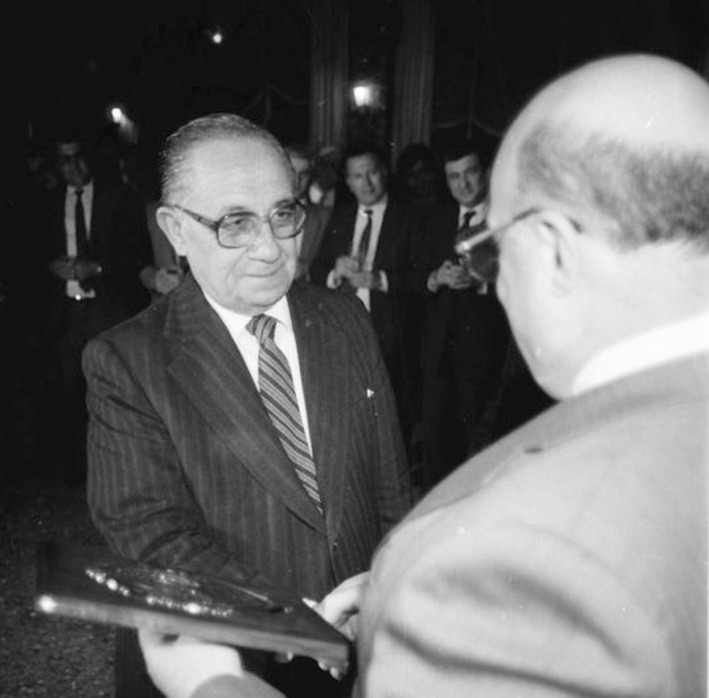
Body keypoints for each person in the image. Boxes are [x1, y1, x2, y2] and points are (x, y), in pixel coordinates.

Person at [140, 53, 708, 698]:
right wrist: (397, 591)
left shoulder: (522, 555)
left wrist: (212, 683)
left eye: (490, 249)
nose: (496, 284)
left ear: (552, 247)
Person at [84, 113, 413, 698]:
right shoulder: (127, 361)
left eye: (283, 215)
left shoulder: (345, 319)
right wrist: (296, 621)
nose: (269, 248)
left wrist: (386, 595)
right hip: (231, 664)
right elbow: (154, 538)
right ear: (176, 230)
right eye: (235, 223)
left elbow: (390, 493)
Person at [38, 130, 152, 484]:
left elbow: (137, 255)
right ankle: (76, 474)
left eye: (78, 157)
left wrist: (98, 268)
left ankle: (119, 470)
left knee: (113, 390)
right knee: (68, 390)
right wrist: (50, 266)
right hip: (65, 314)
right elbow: (29, 252)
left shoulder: (119, 198)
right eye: (64, 160)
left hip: (107, 309)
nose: (72, 167)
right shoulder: (46, 202)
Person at [310, 145, 422, 451]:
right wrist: (335, 271)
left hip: (389, 333)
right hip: (342, 330)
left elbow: (423, 277)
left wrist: (381, 280)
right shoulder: (341, 216)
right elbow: (317, 270)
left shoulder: (408, 216)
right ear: (348, 181)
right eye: (358, 176)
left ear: (384, 173)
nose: (367, 182)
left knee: (388, 421)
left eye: (372, 173)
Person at [415, 138, 511, 487]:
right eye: (454, 177)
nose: (463, 184)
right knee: (436, 449)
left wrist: (480, 281)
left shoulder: (505, 219)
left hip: (485, 356)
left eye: (470, 173)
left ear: (485, 172)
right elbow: (416, 277)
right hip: (438, 355)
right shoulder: (435, 217)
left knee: (480, 455)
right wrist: (435, 278)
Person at [284, 144, 333, 282]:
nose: (296, 180)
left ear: (311, 178)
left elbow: (333, 265)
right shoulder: (261, 212)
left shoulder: (326, 217)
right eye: (291, 172)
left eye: (303, 174)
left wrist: (306, 268)